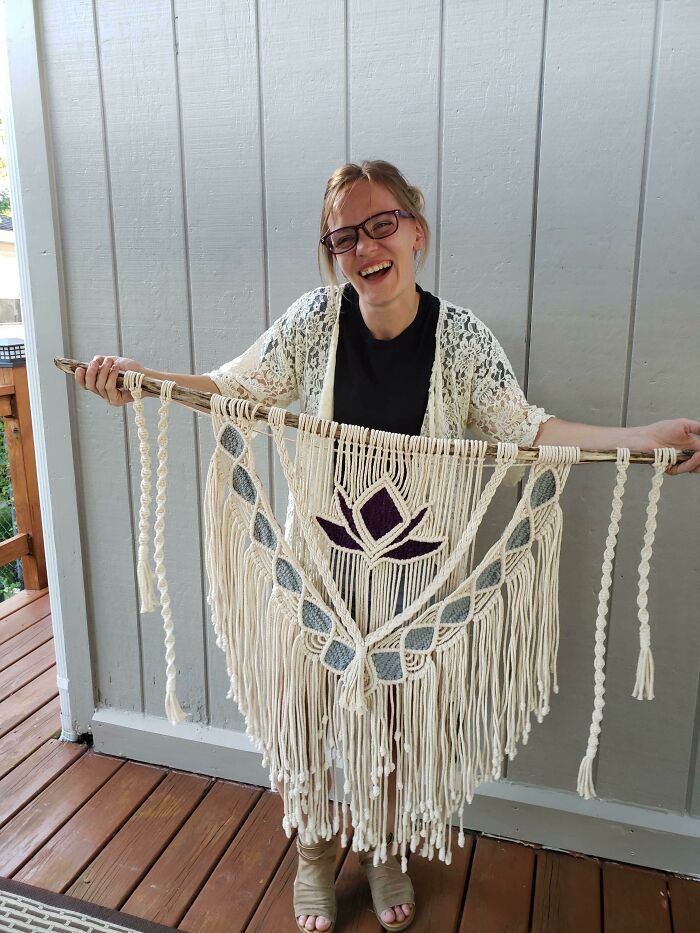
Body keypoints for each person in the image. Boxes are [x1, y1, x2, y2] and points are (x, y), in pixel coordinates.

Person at [75, 160, 700, 933]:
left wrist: (640, 439)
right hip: (319, 572)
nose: (364, 246)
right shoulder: (314, 322)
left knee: (396, 724)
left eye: (380, 225)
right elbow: (230, 386)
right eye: (344, 235)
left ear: (416, 232)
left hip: (417, 580)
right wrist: (142, 380)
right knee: (305, 716)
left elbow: (528, 431)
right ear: (334, 251)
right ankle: (310, 850)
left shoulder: (463, 339)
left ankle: (382, 848)